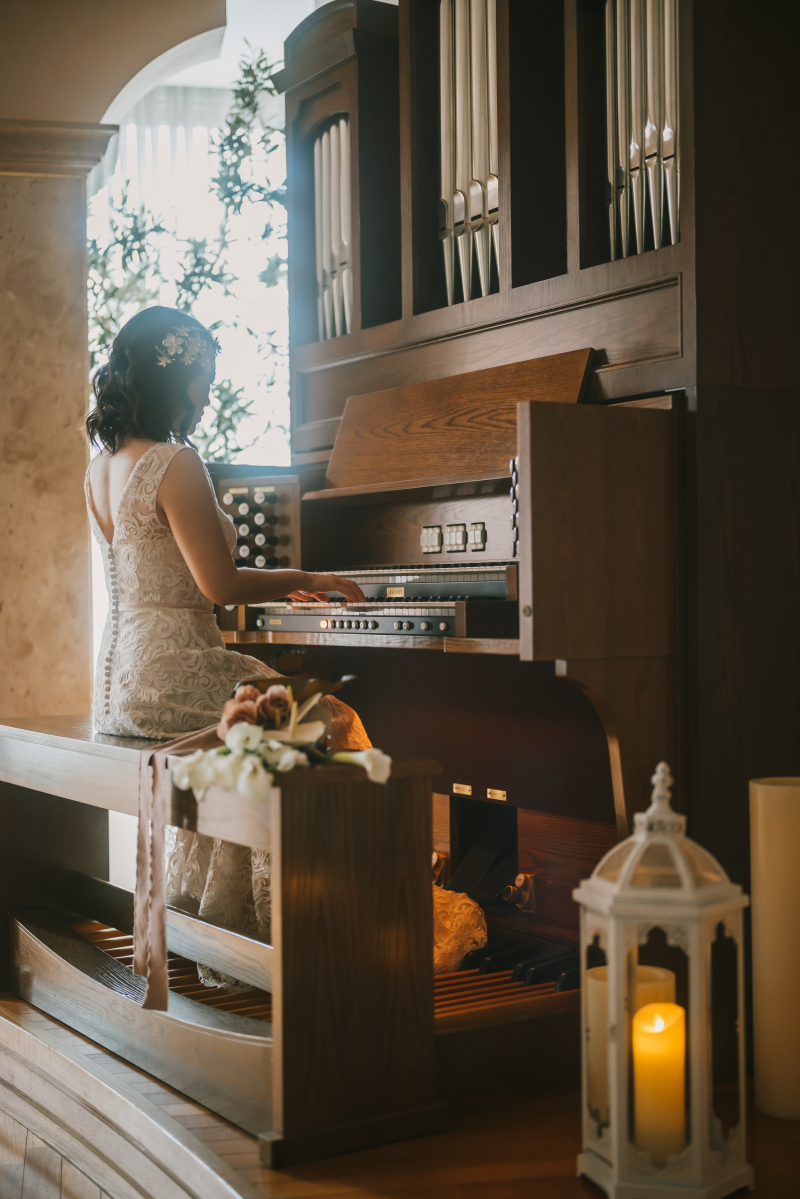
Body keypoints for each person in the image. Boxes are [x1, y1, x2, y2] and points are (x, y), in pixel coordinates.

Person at [85, 306, 369, 984]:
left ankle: (222, 915)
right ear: (174, 378)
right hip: (173, 669)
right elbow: (219, 585)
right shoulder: (175, 462)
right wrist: (312, 577)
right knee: (325, 718)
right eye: (205, 380)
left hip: (118, 684)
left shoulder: (100, 467)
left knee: (261, 725)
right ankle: (309, 930)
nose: (209, 395)